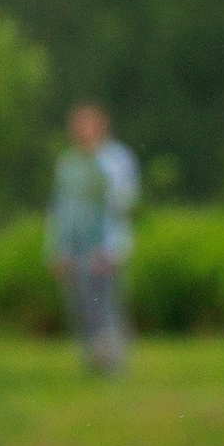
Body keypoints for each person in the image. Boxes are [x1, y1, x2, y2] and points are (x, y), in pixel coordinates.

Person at [46, 103, 140, 373]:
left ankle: (114, 365)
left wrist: (111, 247)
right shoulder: (67, 163)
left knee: (106, 305)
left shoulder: (115, 159)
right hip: (75, 247)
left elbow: (121, 206)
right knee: (80, 307)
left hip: (105, 247)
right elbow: (60, 208)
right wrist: (58, 248)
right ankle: (92, 362)